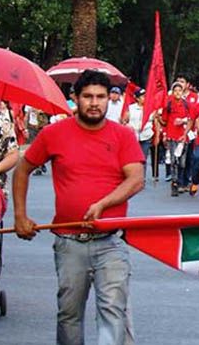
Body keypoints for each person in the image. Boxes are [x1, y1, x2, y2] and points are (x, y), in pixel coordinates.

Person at [12, 70, 145, 345]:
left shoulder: (123, 135)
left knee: (112, 311)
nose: (94, 103)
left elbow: (136, 179)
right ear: (75, 99)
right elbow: (22, 169)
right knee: (69, 315)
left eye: (101, 97)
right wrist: (20, 215)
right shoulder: (53, 133)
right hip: (69, 242)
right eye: (87, 97)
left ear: (110, 99)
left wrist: (104, 203)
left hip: (112, 241)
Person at [160, 82, 191, 195]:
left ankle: (181, 182)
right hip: (171, 136)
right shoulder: (168, 105)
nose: (177, 93)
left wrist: (183, 121)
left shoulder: (186, 104)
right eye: (175, 91)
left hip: (183, 136)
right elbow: (164, 121)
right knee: (173, 161)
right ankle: (174, 184)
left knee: (182, 162)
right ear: (172, 92)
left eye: (180, 90)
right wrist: (157, 118)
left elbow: (191, 119)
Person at [125, 88, 154, 175]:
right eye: (142, 96)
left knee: (143, 158)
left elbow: (154, 121)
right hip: (133, 136)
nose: (145, 98)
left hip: (146, 136)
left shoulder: (150, 108)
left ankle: (142, 177)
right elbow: (125, 121)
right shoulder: (131, 108)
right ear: (137, 98)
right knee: (133, 158)